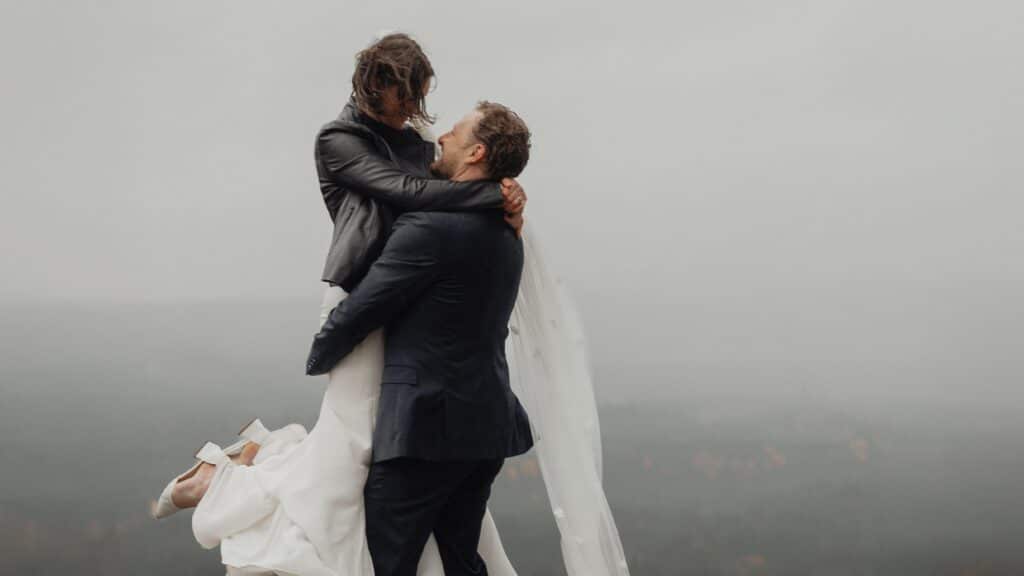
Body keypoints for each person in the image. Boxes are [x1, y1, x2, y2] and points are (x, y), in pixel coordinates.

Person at [152, 32, 631, 576]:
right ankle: (228, 480)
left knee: (365, 473)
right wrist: (495, 192)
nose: (421, 118)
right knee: (348, 450)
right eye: (409, 99)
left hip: (405, 319)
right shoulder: (339, 139)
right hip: (365, 298)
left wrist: (499, 194)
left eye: (423, 104)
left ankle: (228, 476)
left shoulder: (430, 171)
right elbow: (407, 194)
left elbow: (432, 209)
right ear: (378, 87)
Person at [305, 99, 534, 576]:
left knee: (387, 563)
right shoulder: (507, 232)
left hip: (424, 430)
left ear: (475, 153)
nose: (441, 137)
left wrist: (320, 352)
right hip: (484, 427)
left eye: (454, 131)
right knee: (462, 561)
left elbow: (365, 307)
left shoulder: (431, 228)